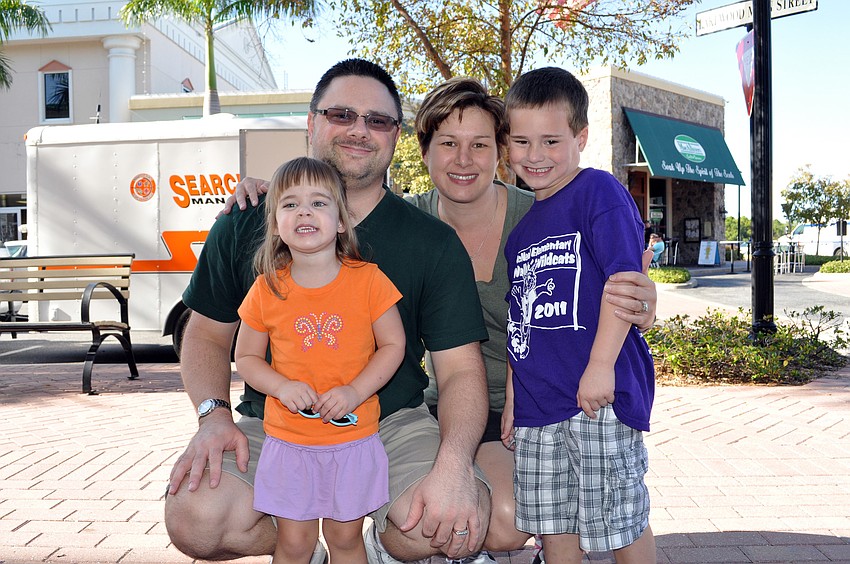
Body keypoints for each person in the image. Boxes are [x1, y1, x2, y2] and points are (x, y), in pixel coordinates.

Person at [224, 76, 659, 564]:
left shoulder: (540, 212)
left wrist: (642, 300)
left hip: (538, 398)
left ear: (499, 151)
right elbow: (324, 214)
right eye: (448, 144)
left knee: (522, 517)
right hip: (454, 405)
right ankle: (369, 540)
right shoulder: (407, 226)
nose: (463, 159)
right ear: (423, 150)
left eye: (480, 144)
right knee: (512, 512)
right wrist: (270, 190)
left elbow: (613, 272)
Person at [165, 58, 492, 564]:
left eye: (378, 120)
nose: (359, 129)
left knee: (437, 524)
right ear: (311, 124)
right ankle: (303, 545)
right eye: (341, 113)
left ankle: (368, 540)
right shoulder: (246, 223)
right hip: (276, 422)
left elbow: (460, 370)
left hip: (387, 421)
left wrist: (454, 463)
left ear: (395, 136)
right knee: (198, 519)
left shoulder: (430, 241)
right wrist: (212, 417)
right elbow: (207, 336)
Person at [500, 67, 656, 563]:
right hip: (537, 409)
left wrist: (600, 366)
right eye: (522, 141)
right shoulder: (522, 232)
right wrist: (510, 399)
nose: (535, 155)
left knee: (620, 522)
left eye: (551, 140)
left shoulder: (598, 191)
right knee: (553, 528)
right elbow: (518, 321)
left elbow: (624, 286)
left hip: (597, 399)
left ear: (580, 136)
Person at [234, 157, 405, 563]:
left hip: (353, 439)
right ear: (275, 224)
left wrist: (355, 390)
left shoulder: (369, 280)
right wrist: (280, 386)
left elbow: (394, 346)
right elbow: (246, 357)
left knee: (346, 541)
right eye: (290, 204)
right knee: (295, 544)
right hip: (289, 443)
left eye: (319, 203)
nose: (305, 212)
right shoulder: (267, 288)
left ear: (342, 221)